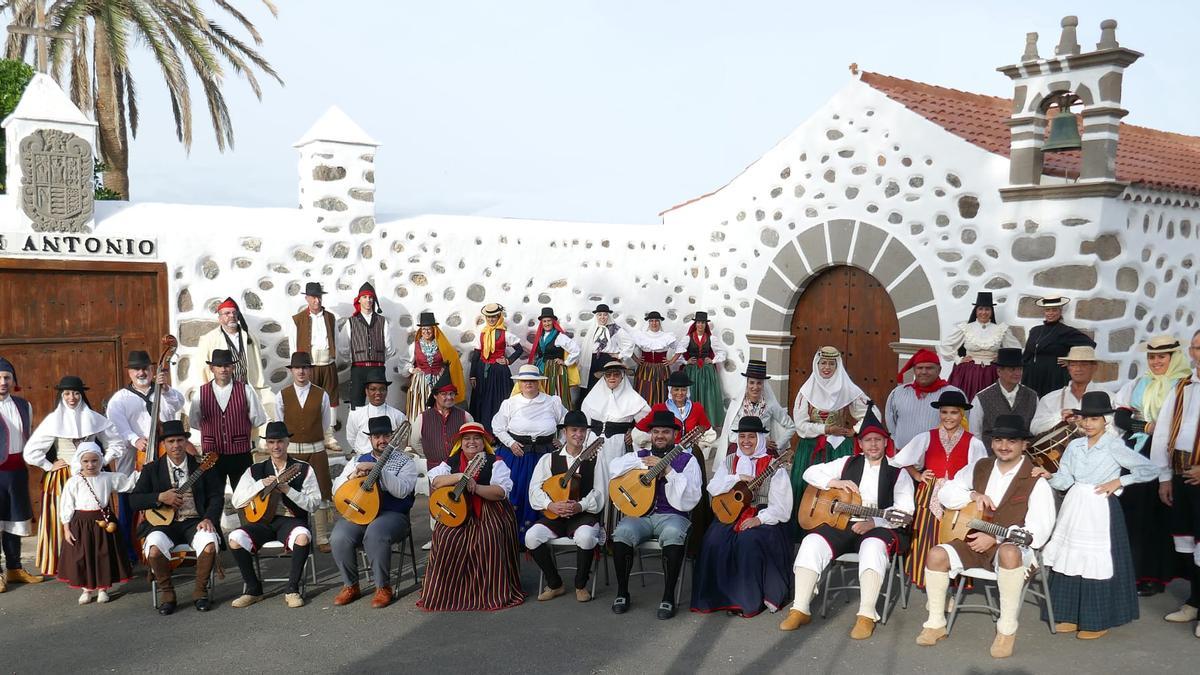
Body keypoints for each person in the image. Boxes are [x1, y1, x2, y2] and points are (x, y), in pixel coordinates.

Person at [914, 414, 1056, 659]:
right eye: (999, 440)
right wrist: (971, 496)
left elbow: (1039, 531)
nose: (1004, 446)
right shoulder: (980, 467)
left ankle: (1006, 630)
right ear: (991, 443)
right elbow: (947, 492)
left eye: (1012, 441)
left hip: (1012, 548)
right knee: (936, 554)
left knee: (1010, 552)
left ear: (1024, 445)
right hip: (974, 540)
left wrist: (997, 538)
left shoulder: (1035, 480)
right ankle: (936, 623)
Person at [781, 406, 914, 639]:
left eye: (878, 440)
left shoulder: (897, 473)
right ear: (860, 444)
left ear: (885, 443)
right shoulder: (847, 463)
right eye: (868, 440)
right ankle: (800, 608)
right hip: (842, 522)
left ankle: (866, 615)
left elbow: (905, 511)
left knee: (872, 547)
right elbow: (809, 473)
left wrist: (873, 522)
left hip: (879, 526)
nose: (873, 445)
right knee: (811, 541)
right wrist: (834, 482)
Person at [1035, 392, 1158, 639]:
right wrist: (1048, 475)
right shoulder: (1074, 445)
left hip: (1099, 507)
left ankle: (1096, 619)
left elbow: (1149, 469)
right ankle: (1068, 615)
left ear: (1105, 421)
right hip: (1074, 506)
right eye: (1085, 419)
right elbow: (1065, 480)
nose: (1089, 424)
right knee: (1069, 559)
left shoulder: (1113, 444)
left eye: (1095, 419)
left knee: (1096, 562)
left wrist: (1120, 480)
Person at [1114, 335, 1193, 597]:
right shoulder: (1139, 382)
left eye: (1162, 357)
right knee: (1133, 512)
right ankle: (1131, 571)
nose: (1156, 361)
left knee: (1158, 514)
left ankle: (1155, 575)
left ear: (1174, 357)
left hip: (1165, 454)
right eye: (1152, 357)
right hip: (1136, 450)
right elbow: (1122, 417)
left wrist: (1158, 431)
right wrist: (1145, 426)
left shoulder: (1184, 385)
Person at [24, 375, 125, 576]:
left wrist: (103, 461)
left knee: (95, 519)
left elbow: (116, 443)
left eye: (76, 393)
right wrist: (48, 465)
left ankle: (96, 563)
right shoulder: (53, 420)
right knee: (64, 517)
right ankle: (66, 565)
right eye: (67, 393)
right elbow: (31, 452)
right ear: (61, 395)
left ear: (82, 395)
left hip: (93, 476)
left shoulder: (95, 418)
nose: (72, 398)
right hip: (63, 477)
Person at [693, 416, 793, 617]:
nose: (746, 441)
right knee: (714, 540)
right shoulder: (730, 461)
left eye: (751, 437)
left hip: (763, 514)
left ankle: (746, 600)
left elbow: (782, 508)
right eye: (742, 436)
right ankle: (718, 597)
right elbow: (713, 487)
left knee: (748, 541)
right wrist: (736, 478)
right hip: (732, 512)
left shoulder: (774, 465)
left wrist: (759, 519)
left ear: (760, 439)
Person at [418, 422, 524, 611]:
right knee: (445, 537)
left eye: (476, 438)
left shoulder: (495, 461)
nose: (471, 442)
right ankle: (447, 593)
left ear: (483, 442)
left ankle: (489, 593)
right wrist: (460, 477)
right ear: (460, 442)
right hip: (456, 510)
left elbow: (500, 492)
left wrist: (477, 487)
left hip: (487, 509)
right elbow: (436, 481)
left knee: (488, 537)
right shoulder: (450, 462)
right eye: (467, 438)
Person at [609, 410, 703, 620]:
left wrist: (669, 471)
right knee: (622, 533)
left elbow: (693, 496)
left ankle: (668, 596)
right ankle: (622, 593)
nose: (660, 435)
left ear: (675, 435)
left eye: (666, 432)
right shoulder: (639, 455)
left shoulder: (687, 461)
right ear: (650, 434)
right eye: (656, 432)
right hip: (641, 516)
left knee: (672, 534)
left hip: (672, 516)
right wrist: (642, 465)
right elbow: (613, 469)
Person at [891, 390, 987, 588]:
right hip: (929, 494)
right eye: (944, 412)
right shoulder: (926, 437)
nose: (948, 417)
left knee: (953, 537)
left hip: (959, 497)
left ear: (962, 415)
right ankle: (930, 584)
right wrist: (918, 475)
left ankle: (951, 587)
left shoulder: (973, 442)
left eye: (953, 412)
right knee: (927, 536)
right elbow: (899, 460)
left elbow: (980, 472)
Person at [128, 420, 223, 614]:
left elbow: (216, 497)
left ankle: (200, 592)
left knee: (210, 543)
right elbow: (134, 501)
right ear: (164, 444)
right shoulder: (151, 469)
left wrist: (209, 519)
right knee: (154, 549)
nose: (176, 445)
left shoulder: (202, 466)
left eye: (180, 440)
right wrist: (160, 497)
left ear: (185, 442)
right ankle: (167, 593)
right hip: (163, 525)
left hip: (195, 522)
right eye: (171, 441)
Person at [228, 421, 320, 609]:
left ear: (287, 442)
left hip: (291, 521)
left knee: (302, 537)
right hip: (261, 522)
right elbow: (237, 502)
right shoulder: (255, 470)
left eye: (280, 441)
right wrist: (260, 484)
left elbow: (314, 504)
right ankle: (253, 590)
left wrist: (288, 490)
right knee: (235, 538)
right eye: (271, 442)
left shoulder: (302, 469)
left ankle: (292, 589)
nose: (276, 446)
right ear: (266, 444)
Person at [330, 416, 420, 609]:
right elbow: (337, 488)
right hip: (361, 513)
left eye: (386, 435)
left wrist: (378, 471)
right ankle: (351, 585)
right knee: (339, 536)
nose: (382, 440)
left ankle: (382, 587)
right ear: (370, 439)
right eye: (377, 436)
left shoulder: (405, 461)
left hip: (393, 515)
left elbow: (402, 490)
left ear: (393, 436)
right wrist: (352, 477)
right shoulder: (358, 460)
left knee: (376, 533)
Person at [106, 349, 187, 562]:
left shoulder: (163, 391)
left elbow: (177, 405)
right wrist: (134, 439)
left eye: (145, 368)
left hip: (162, 453)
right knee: (130, 506)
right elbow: (117, 425)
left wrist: (166, 388)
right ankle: (129, 554)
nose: (141, 373)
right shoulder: (119, 399)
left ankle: (173, 549)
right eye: (136, 369)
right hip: (134, 459)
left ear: (152, 370)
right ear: (129, 373)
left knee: (167, 500)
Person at [526, 410, 607, 602]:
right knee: (531, 537)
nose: (578, 434)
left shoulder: (595, 459)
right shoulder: (548, 459)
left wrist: (580, 505)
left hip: (583, 515)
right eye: (574, 430)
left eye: (582, 431)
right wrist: (550, 505)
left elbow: (601, 492)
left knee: (586, 537)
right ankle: (555, 583)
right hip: (555, 515)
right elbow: (534, 490)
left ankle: (581, 584)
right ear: (564, 432)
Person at [635, 370, 717, 557]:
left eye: (683, 390)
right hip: (662, 457)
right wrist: (653, 442)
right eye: (676, 390)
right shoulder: (659, 408)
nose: (679, 393)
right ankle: (663, 534)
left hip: (689, 458)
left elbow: (709, 431)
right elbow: (639, 431)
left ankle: (693, 546)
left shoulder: (696, 408)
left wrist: (700, 443)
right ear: (670, 391)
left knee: (692, 495)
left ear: (687, 391)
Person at [1150, 329, 1200, 637]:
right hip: (1183, 474)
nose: (1199, 353)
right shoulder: (1183, 387)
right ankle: (1195, 601)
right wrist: (1165, 476)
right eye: (1196, 347)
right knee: (1190, 541)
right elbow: (1164, 431)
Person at [789, 347, 869, 524]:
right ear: (816, 364)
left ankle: (833, 525)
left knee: (836, 491)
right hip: (810, 449)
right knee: (807, 488)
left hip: (838, 449)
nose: (826, 367)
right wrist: (826, 429)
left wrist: (855, 430)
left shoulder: (847, 389)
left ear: (837, 366)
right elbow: (801, 426)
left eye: (831, 364)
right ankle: (805, 527)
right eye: (823, 363)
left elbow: (871, 414)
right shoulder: (806, 391)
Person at [273, 352, 340, 553]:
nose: (301, 371)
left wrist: (314, 437)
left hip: (316, 449)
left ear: (310, 370)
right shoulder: (282, 395)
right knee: (291, 492)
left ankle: (321, 537)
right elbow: (279, 423)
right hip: (292, 451)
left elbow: (326, 422)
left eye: (305, 367)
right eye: (297, 368)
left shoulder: (322, 394)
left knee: (320, 492)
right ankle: (291, 536)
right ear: (292, 371)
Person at [492, 364, 568, 540]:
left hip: (545, 455)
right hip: (518, 455)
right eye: (525, 381)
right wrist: (510, 443)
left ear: (538, 383)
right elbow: (498, 427)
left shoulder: (552, 402)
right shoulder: (510, 403)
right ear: (519, 383)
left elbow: (567, 423)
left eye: (532, 381)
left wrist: (562, 440)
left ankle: (544, 534)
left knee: (546, 491)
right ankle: (516, 538)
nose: (529, 384)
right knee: (518, 492)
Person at [55, 443, 135, 605]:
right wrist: (66, 528)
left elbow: (128, 484)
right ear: (80, 462)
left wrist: (144, 472)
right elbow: (66, 505)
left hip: (104, 521)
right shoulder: (74, 481)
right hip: (81, 524)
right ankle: (87, 589)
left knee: (102, 555)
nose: (90, 465)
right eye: (86, 461)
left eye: (94, 460)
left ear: (100, 461)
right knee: (84, 555)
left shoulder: (108, 478)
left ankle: (103, 589)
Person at [188, 349, 268, 495]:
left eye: (227, 365)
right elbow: (194, 421)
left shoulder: (245, 390)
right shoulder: (201, 392)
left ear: (233, 367)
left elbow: (258, 419)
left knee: (246, 495)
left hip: (240, 454)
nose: (223, 369)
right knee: (213, 496)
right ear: (212, 368)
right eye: (219, 366)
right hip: (211, 455)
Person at [0, 357, 39, 592]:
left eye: (7, 377)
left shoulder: (24, 405)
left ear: (13, 380)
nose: (3, 382)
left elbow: (31, 436)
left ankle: (14, 568)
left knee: (14, 521)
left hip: (17, 472)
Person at [939, 292, 1022, 401]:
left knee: (991, 403)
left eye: (987, 309)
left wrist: (1002, 359)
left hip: (992, 373)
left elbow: (1016, 350)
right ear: (976, 311)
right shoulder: (966, 328)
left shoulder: (1001, 329)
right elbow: (946, 346)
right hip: (968, 373)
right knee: (966, 402)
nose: (984, 312)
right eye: (980, 309)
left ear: (991, 311)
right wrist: (958, 359)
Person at [716, 360, 795, 468]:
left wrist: (778, 444)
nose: (755, 387)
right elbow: (732, 435)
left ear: (763, 384)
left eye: (759, 383)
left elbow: (791, 426)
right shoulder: (737, 405)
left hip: (764, 450)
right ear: (746, 383)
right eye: (752, 382)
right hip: (741, 447)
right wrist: (752, 442)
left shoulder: (770, 404)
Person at [885, 349, 964, 450]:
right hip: (904, 458)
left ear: (939, 370)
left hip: (939, 457)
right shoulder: (898, 393)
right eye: (920, 368)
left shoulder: (954, 394)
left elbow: (964, 425)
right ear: (914, 370)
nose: (924, 372)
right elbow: (891, 425)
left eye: (929, 368)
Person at [581, 355, 650, 467]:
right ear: (604, 377)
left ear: (622, 376)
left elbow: (648, 422)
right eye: (608, 375)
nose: (612, 378)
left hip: (617, 446)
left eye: (616, 374)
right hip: (592, 445)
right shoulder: (591, 398)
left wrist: (633, 432)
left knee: (615, 474)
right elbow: (585, 425)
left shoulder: (633, 399)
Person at [1021, 297, 1096, 397]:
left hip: (1053, 376)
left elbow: (1090, 344)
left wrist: (1070, 361)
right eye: (1048, 310)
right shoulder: (1035, 330)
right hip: (1032, 376)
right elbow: (1027, 354)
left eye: (1054, 310)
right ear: (1044, 312)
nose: (1050, 313)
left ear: (1060, 312)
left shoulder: (1065, 331)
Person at [468, 303, 526, 433]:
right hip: (482, 371)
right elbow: (476, 355)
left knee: (498, 401)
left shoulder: (506, 334)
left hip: (499, 372)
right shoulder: (481, 334)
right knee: (482, 400)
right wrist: (472, 374)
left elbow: (519, 350)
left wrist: (508, 360)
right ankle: (482, 431)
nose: (491, 320)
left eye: (494, 317)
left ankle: (497, 433)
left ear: (499, 316)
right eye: (489, 317)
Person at [1030, 346, 1109, 436]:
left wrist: (1088, 421)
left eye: (1084, 364)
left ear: (1094, 367)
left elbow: (1116, 430)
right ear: (1068, 368)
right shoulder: (1049, 399)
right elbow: (1035, 428)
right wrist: (1061, 418)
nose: (1078, 369)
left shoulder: (1108, 397)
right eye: (1073, 365)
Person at [968, 348, 1039, 448]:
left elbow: (1035, 429)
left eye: (1020, 369)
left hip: (1023, 457)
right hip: (991, 458)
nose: (1017, 373)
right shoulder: (982, 397)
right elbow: (975, 433)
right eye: (1012, 369)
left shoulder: (1032, 396)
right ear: (999, 371)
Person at [340, 282, 396, 409]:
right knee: (356, 405)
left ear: (374, 300)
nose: (368, 300)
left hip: (378, 370)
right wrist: (355, 359)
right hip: (358, 370)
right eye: (365, 297)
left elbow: (390, 348)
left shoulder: (382, 321)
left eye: (371, 297)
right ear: (359, 299)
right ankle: (356, 429)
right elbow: (343, 348)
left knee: (378, 404)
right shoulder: (350, 322)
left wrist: (379, 359)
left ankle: (379, 428)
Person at [195, 297, 267, 394]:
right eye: (227, 313)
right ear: (219, 318)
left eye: (234, 313)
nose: (232, 315)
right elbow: (202, 369)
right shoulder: (209, 339)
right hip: (222, 391)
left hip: (249, 389)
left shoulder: (250, 337)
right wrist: (207, 393)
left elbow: (257, 365)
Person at [288, 282, 341, 408]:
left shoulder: (330, 317)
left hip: (328, 365)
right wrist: (297, 369)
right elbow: (293, 346)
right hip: (309, 367)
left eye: (319, 297)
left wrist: (333, 359)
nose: (317, 301)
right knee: (309, 400)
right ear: (306, 298)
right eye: (313, 297)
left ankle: (331, 427)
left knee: (331, 399)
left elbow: (337, 341)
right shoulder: (297, 319)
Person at [404, 312, 466, 421]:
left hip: (438, 382)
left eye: (429, 329)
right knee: (420, 407)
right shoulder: (415, 345)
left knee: (439, 407)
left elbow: (452, 358)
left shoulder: (441, 345)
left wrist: (444, 370)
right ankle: (420, 431)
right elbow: (404, 361)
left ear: (434, 330)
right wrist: (411, 369)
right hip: (420, 382)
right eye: (423, 329)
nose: (426, 332)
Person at [526, 307, 583, 410]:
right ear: (541, 323)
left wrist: (566, 362)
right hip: (541, 369)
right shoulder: (540, 336)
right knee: (541, 393)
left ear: (553, 322)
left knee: (555, 394)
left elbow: (576, 350)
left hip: (555, 370)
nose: (547, 323)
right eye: (544, 321)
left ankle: (559, 418)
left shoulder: (559, 336)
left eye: (549, 321)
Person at [676, 312, 726, 429]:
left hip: (706, 372)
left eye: (703, 323)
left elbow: (722, 353)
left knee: (708, 394)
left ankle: (707, 424)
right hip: (691, 371)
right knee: (691, 394)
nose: (700, 325)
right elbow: (678, 353)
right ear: (695, 323)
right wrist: (685, 361)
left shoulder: (711, 338)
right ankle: (690, 424)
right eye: (698, 322)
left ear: (705, 324)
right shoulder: (688, 338)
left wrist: (712, 361)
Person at [344, 368, 408, 458]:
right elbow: (351, 439)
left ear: (386, 391)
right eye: (373, 389)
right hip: (362, 460)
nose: (378, 393)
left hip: (390, 461)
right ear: (366, 391)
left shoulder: (398, 416)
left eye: (382, 389)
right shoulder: (355, 415)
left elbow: (402, 442)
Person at [580, 303, 633, 400]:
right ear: (597, 316)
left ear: (608, 316)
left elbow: (629, 342)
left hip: (608, 361)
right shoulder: (593, 329)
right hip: (593, 361)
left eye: (605, 314)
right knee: (592, 387)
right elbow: (587, 347)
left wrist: (620, 355)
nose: (602, 317)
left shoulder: (614, 329)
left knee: (608, 387)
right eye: (600, 315)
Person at [631, 311, 679, 407]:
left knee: (661, 390)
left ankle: (659, 415)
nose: (654, 323)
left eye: (656, 321)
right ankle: (644, 416)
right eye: (651, 321)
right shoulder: (641, 335)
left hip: (661, 368)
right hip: (645, 368)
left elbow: (680, 348)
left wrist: (672, 361)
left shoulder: (666, 336)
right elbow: (628, 348)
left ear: (660, 322)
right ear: (648, 322)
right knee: (644, 389)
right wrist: (636, 360)